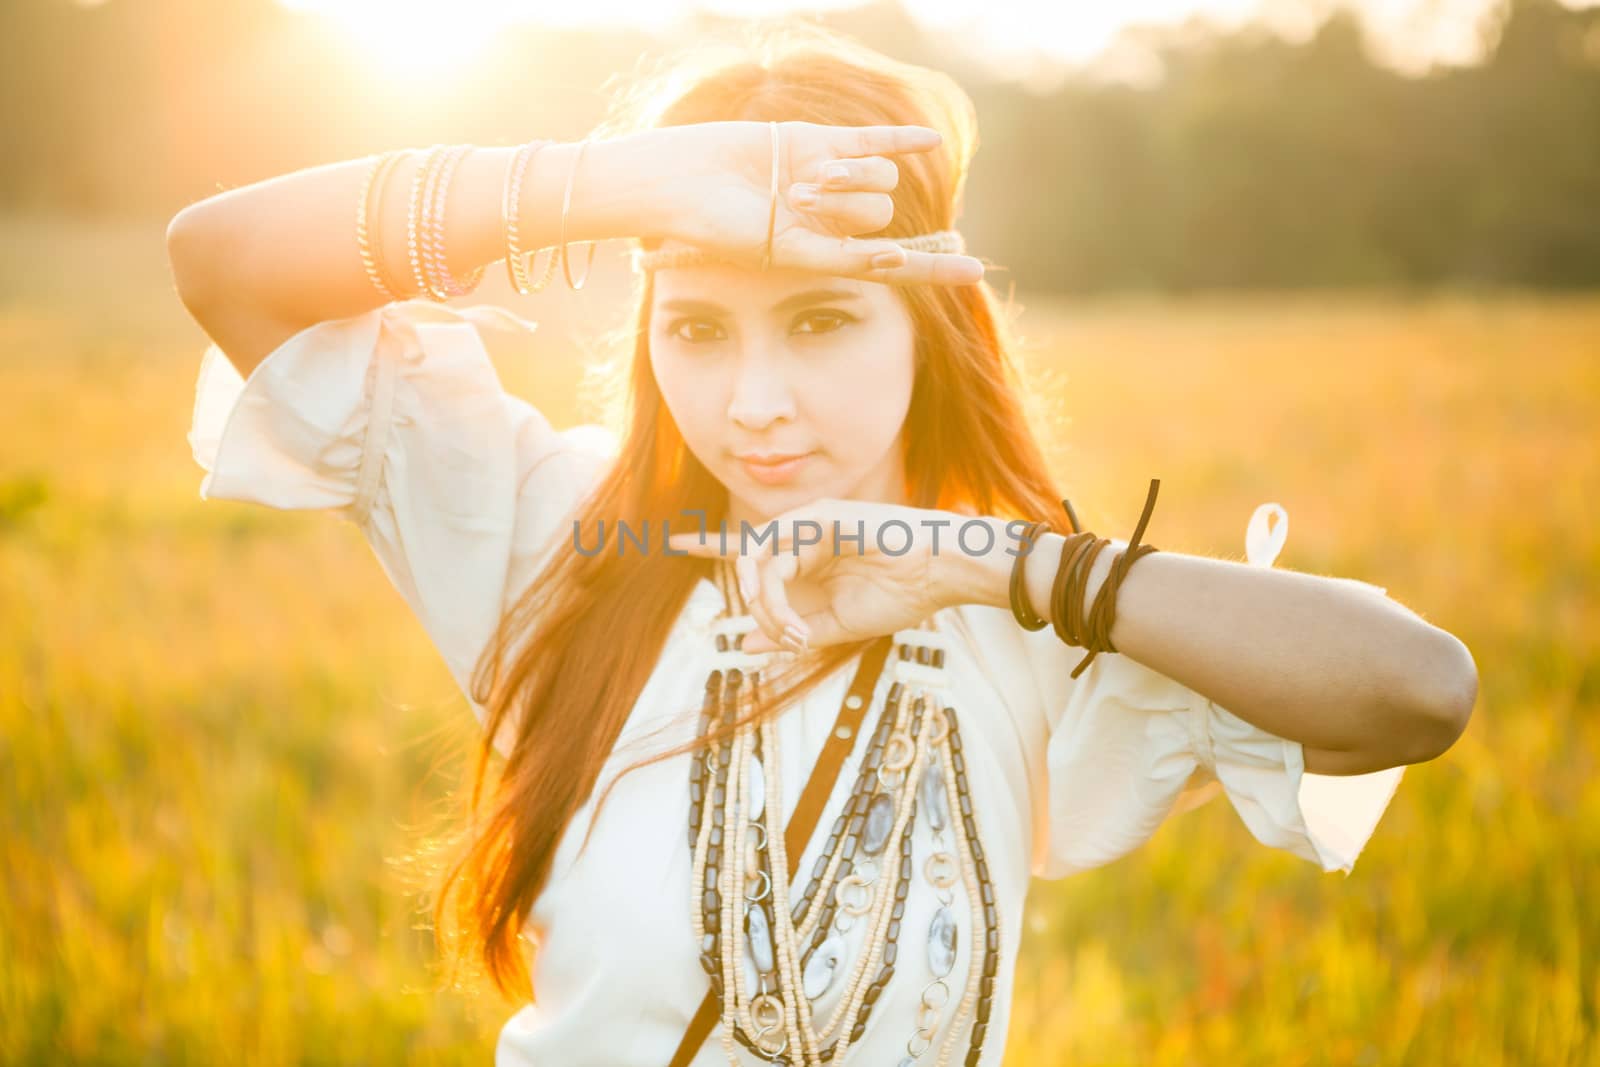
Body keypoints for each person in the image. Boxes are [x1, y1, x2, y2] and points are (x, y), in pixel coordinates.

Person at [165, 21, 1477, 1067]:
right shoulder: (546, 533)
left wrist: (1000, 565)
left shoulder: (1030, 620)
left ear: (930, 328)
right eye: (696, 329)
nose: (752, 406)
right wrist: (617, 182)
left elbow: (1419, 694)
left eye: (819, 323)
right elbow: (223, 260)